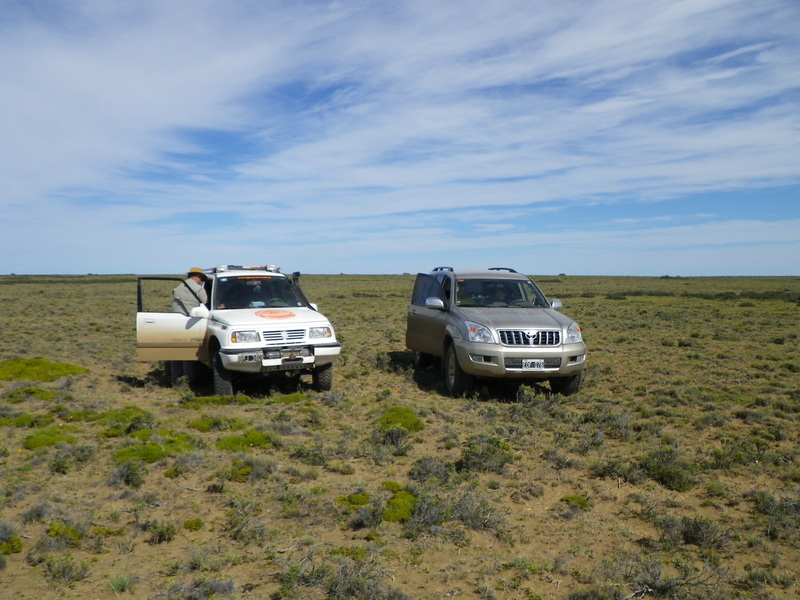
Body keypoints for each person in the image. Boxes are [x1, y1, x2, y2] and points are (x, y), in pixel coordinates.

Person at [170, 268, 208, 385]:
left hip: (175, 323)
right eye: (201, 279)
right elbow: (205, 301)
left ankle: (175, 380)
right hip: (190, 322)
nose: (201, 281)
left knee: (176, 354)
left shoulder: (178, 287)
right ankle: (188, 380)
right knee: (188, 353)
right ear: (197, 277)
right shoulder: (198, 289)